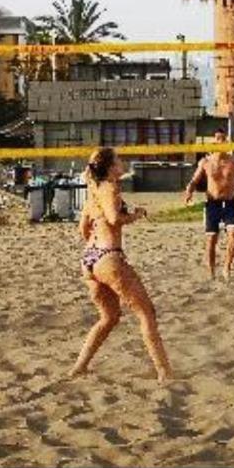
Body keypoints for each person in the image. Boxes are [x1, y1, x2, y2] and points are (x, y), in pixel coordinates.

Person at [70, 147, 172, 384]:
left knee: (109, 317)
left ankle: (79, 367)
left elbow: (83, 228)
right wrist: (134, 216)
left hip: (89, 259)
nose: (122, 162)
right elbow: (114, 219)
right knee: (146, 313)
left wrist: (99, 242)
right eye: (118, 159)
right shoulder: (111, 187)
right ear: (110, 166)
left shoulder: (93, 191)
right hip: (108, 257)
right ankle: (164, 371)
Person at [183, 129, 234, 281]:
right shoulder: (206, 162)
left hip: (229, 203)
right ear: (214, 142)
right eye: (218, 139)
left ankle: (226, 267)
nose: (221, 142)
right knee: (211, 240)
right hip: (212, 204)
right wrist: (189, 191)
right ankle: (211, 270)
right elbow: (194, 180)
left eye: (223, 139)